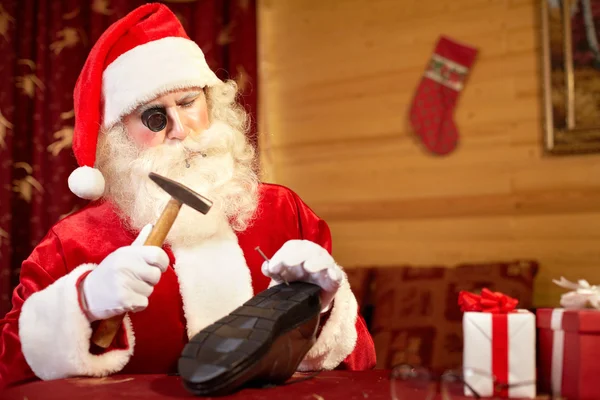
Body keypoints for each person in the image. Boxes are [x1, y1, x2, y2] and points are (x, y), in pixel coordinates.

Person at [0, 3, 376, 389]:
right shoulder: (71, 243)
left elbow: (359, 363)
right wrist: (84, 303)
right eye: (154, 116)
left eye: (187, 103)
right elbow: (6, 367)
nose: (180, 129)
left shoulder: (283, 211)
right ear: (118, 137)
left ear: (210, 104)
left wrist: (321, 307)